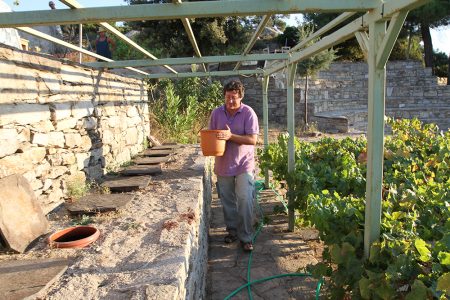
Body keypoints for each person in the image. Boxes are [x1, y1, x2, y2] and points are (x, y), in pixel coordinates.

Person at [209, 80, 259, 252]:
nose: (230, 101)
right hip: (223, 163)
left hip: (244, 164)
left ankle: (246, 237)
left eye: (234, 98)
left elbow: (252, 140)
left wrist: (231, 136)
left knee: (245, 198)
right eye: (227, 97)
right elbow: (212, 134)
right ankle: (232, 231)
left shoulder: (248, 113)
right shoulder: (216, 113)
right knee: (228, 201)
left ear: (241, 97)